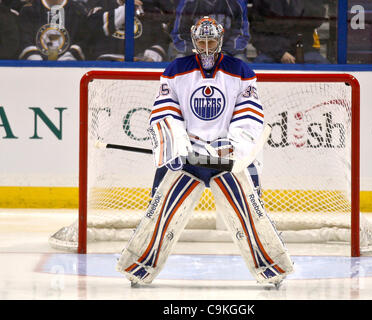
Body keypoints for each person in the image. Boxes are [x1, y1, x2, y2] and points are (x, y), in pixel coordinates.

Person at [115, 16, 294, 287]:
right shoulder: (176, 69)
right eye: (202, 41)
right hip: (189, 158)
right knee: (161, 210)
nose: (207, 47)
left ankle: (272, 268)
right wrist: (175, 143)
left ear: (220, 40)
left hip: (226, 158)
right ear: (193, 41)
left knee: (251, 214)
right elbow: (164, 110)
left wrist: (233, 146)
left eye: (212, 41)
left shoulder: (241, 70)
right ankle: (139, 266)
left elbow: (248, 115)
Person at [86, 0, 175, 61]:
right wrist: (127, 8)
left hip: (138, 66)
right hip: (104, 64)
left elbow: (162, 38)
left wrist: (152, 55)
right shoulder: (102, 4)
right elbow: (92, 29)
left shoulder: (148, 9)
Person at [249, 0, 329, 64]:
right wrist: (280, 53)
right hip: (272, 52)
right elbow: (256, 34)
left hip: (304, 51)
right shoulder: (263, 2)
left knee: (324, 67)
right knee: (260, 65)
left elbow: (317, 19)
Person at [170, 0, 250, 61]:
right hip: (195, 52)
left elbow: (241, 34)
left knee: (239, 60)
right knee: (180, 59)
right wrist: (198, 51)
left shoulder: (235, 2)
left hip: (226, 52)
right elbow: (179, 34)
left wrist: (221, 51)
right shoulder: (188, 3)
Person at [18, 0, 91, 60]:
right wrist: (33, 56)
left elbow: (83, 40)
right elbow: (25, 39)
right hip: (34, 71)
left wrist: (72, 54)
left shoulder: (78, 11)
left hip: (68, 71)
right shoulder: (28, 10)